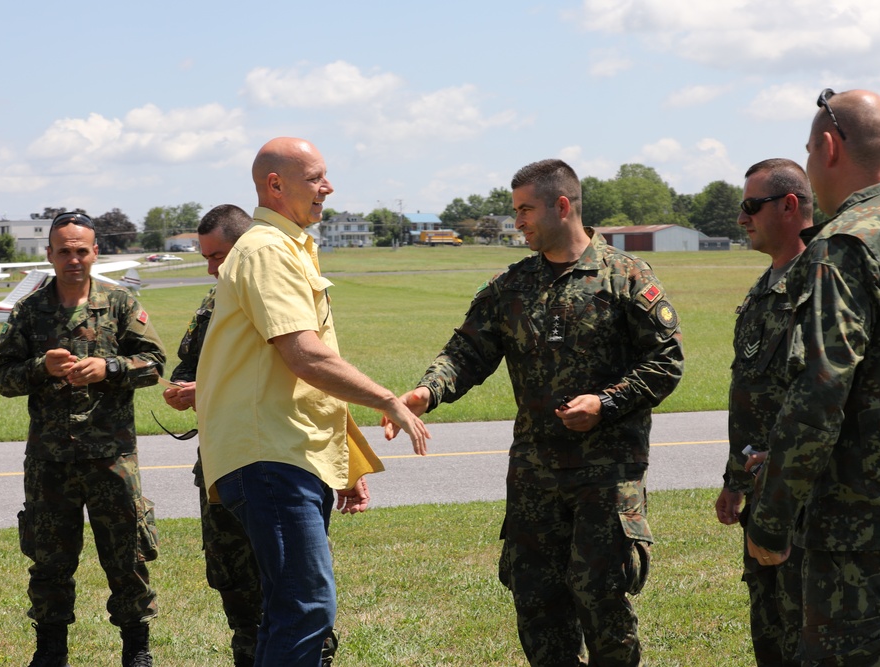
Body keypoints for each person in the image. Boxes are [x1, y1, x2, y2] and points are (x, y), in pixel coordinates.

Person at [389, 159, 684, 666]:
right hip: (534, 478)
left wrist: (606, 403)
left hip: (606, 476)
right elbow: (466, 353)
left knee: (604, 605)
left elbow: (666, 361)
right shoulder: (512, 286)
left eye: (526, 210)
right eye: (515, 211)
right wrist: (425, 393)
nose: (518, 221)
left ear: (562, 206)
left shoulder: (625, 276)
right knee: (538, 610)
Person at [195, 137, 429, 666]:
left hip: (288, 453)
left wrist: (346, 461)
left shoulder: (289, 247)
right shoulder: (267, 250)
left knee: (293, 607)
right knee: (306, 608)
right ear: (275, 184)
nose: (329, 187)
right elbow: (304, 355)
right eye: (317, 177)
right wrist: (388, 400)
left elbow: (296, 377)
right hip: (271, 458)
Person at [747, 89, 880, 664]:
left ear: (828, 146)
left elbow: (818, 394)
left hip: (866, 525)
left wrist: (769, 520)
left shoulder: (845, 243)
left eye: (811, 153)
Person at [162, 203, 352, 666]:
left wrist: (350, 461)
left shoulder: (279, 283)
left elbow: (315, 376)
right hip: (227, 462)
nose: (213, 267)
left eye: (218, 255)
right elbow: (188, 366)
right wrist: (189, 389)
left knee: (298, 596)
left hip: (280, 456)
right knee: (241, 591)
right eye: (205, 258)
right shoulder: (215, 302)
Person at [0, 211, 166, 667]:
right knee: (49, 560)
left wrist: (110, 368)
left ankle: (136, 648)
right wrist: (38, 368)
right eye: (63, 250)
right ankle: (50, 650)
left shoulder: (121, 303)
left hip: (112, 459)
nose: (73, 259)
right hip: (50, 460)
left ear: (95, 252)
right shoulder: (29, 312)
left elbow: (153, 362)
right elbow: (2, 377)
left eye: (81, 250)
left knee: (127, 555)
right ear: (49, 254)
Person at [714, 158, 812, 665]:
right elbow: (751, 397)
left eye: (751, 206)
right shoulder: (761, 292)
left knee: (807, 633)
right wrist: (735, 482)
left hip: (805, 499)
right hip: (761, 492)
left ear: (789, 206)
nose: (741, 218)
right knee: (769, 633)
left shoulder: (821, 284)